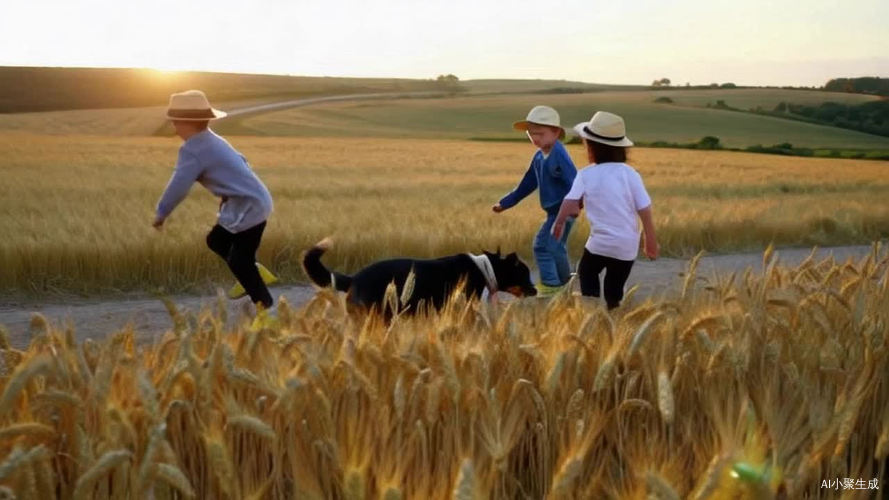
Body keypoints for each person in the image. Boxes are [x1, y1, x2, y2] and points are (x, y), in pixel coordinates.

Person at [152, 90, 277, 310]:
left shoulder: (192, 149)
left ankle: (264, 306)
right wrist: (234, 187)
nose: (174, 127)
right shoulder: (212, 139)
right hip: (247, 201)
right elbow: (242, 160)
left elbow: (179, 184)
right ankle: (254, 273)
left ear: (183, 123)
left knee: (239, 259)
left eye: (175, 122)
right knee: (217, 240)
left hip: (248, 206)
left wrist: (162, 212)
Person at [552, 111, 658, 309]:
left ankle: (590, 311)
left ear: (591, 147)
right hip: (627, 245)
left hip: (600, 242)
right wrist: (650, 238)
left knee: (587, 271)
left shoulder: (586, 174)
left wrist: (558, 222)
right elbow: (644, 207)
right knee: (614, 285)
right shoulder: (630, 174)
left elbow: (569, 202)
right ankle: (613, 314)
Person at [492, 105, 577, 296]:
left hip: (565, 211)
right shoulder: (539, 156)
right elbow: (527, 183)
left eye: (540, 133)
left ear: (555, 133)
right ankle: (565, 282)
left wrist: (575, 205)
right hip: (553, 212)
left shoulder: (559, 155)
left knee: (543, 245)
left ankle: (553, 283)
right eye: (531, 134)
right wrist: (505, 203)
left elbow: (575, 181)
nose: (535, 138)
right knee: (555, 247)